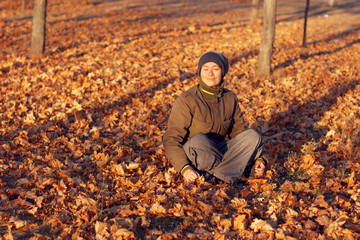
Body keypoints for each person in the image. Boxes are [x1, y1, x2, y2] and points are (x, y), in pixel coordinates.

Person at [163, 52, 268, 184]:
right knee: (198, 141)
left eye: (215, 69)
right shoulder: (187, 100)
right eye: (205, 69)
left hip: (220, 152)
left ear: (222, 72)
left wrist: (259, 159)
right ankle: (234, 172)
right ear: (199, 72)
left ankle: (215, 176)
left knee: (253, 136)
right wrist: (185, 168)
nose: (210, 73)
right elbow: (171, 139)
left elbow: (239, 135)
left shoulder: (230, 98)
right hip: (197, 154)